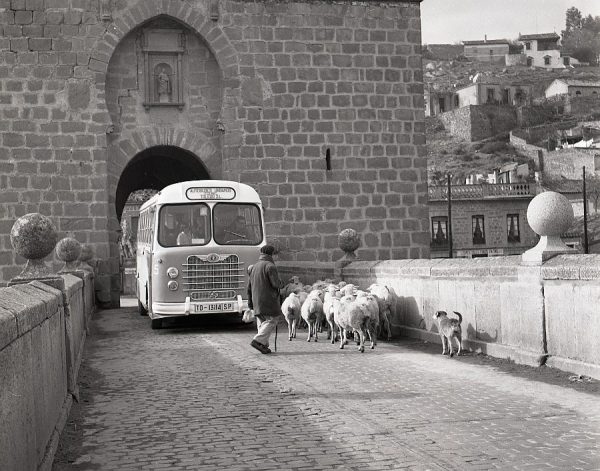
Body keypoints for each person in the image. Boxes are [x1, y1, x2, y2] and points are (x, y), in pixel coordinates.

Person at [247, 245, 285, 354]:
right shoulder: (270, 266)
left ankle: (263, 345)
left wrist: (250, 303)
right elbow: (275, 284)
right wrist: (282, 284)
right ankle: (257, 340)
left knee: (263, 321)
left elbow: (249, 287)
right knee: (272, 319)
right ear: (271, 253)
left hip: (256, 300)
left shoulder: (253, 267)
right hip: (267, 299)